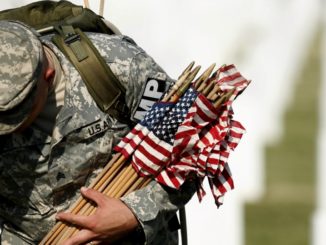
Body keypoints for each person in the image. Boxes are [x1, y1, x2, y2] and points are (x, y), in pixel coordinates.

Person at [0, 20, 196, 245]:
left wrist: (133, 213)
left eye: (17, 114)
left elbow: (194, 151)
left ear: (48, 75)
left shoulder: (118, 66)